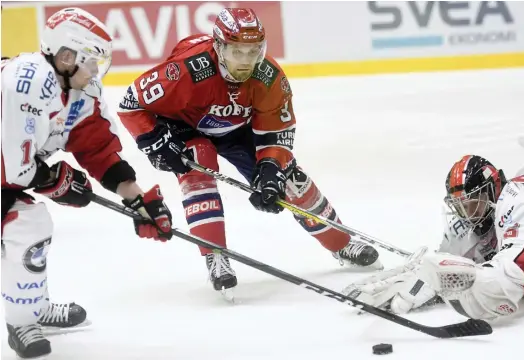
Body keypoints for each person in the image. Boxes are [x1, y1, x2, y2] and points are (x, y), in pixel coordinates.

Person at [117, 7, 382, 296]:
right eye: (237, 52)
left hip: (236, 130)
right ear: (219, 46)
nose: (246, 61)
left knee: (289, 177)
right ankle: (214, 254)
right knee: (198, 162)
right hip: (183, 126)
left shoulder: (268, 77)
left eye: (253, 51)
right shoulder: (186, 70)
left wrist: (270, 170)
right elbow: (130, 103)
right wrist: (153, 139)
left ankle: (341, 243)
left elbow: (276, 132)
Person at [1, 8, 173, 359]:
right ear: (65, 56)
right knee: (27, 226)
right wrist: (56, 180)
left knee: (27, 227)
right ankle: (23, 321)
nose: (96, 70)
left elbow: (97, 149)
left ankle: (32, 306)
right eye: (91, 61)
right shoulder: (27, 81)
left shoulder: (79, 92)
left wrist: (138, 200)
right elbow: (15, 172)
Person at [343, 153, 524, 319]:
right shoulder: (476, 219)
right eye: (461, 207)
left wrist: (458, 280)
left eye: (474, 202)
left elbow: (515, 277)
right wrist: (428, 276)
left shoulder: (519, 204)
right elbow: (444, 262)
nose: (468, 214)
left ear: (494, 189)